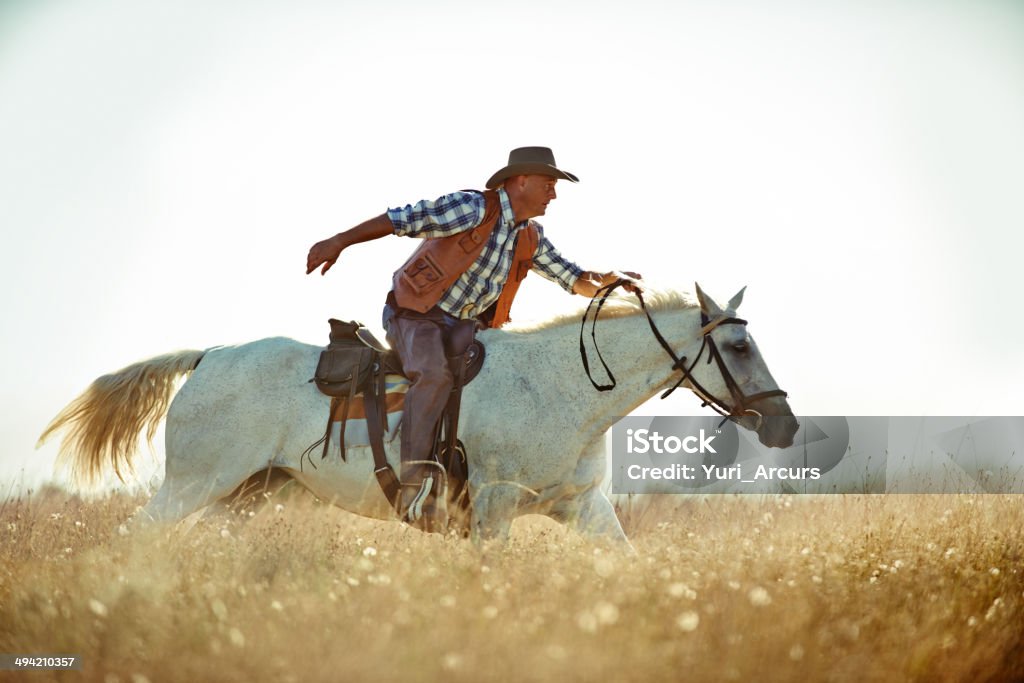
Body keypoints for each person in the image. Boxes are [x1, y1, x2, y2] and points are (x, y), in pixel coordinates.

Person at [306, 146, 639, 531]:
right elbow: (403, 219)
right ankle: (415, 483)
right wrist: (339, 241)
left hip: (465, 325)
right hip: (416, 316)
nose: (554, 194)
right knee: (433, 376)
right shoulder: (473, 209)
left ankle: (462, 476)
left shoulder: (529, 235)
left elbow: (572, 278)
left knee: (499, 380)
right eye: (549, 184)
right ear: (521, 181)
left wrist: (607, 282)